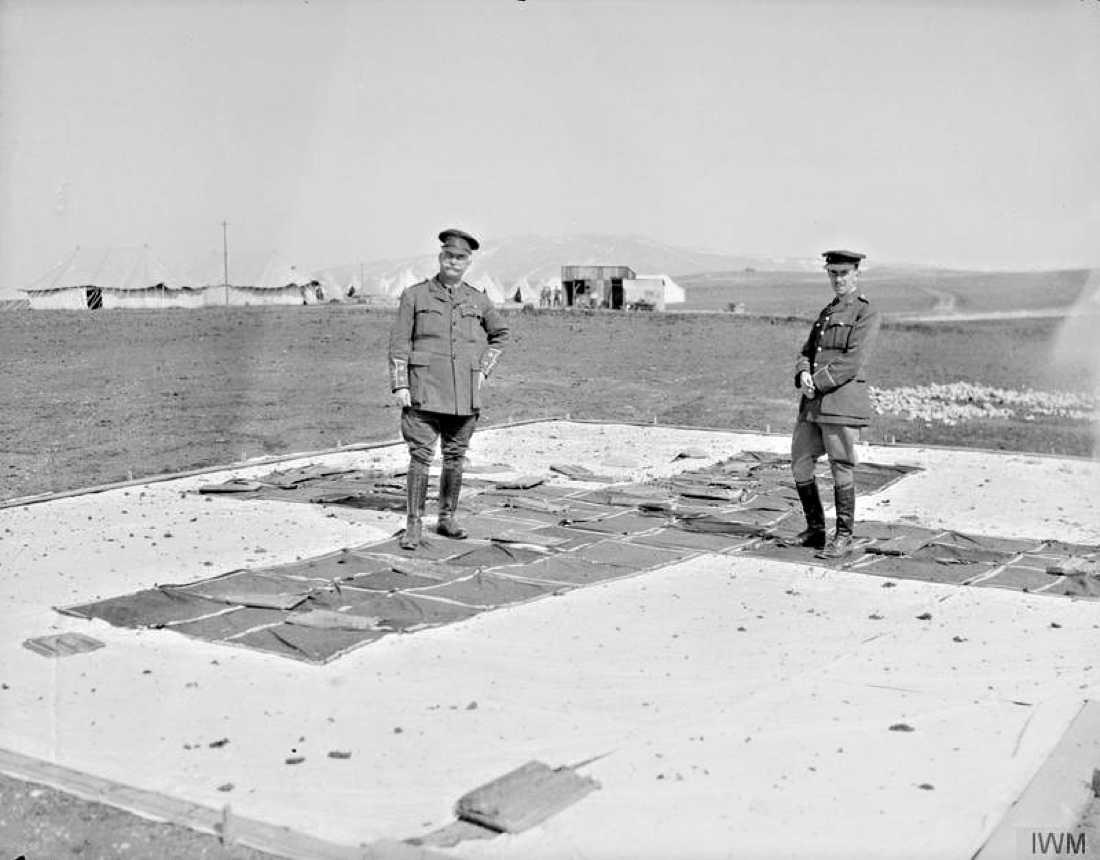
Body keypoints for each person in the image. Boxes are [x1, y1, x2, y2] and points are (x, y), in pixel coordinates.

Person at [388, 228, 510, 550]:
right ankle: (414, 525)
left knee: (455, 458)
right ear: (440, 257)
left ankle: (447, 518)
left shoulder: (477, 298)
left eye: (460, 258)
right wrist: (400, 384)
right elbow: (399, 343)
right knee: (420, 457)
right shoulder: (415, 296)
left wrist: (483, 370)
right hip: (424, 391)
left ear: (468, 262)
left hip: (463, 395)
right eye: (449, 256)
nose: (453, 262)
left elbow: (500, 335)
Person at [789, 249, 882, 558]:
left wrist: (818, 381)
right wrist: (803, 373)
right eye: (833, 273)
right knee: (800, 461)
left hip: (840, 402)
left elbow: (854, 360)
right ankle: (815, 530)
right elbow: (808, 351)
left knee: (840, 465)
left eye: (843, 273)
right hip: (813, 404)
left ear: (856, 273)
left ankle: (843, 536)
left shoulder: (866, 312)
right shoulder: (827, 312)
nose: (838, 279)